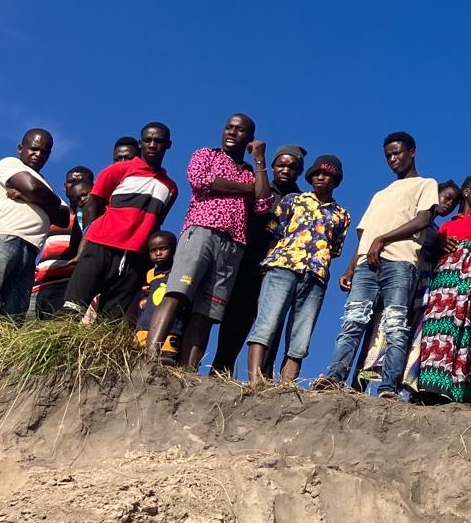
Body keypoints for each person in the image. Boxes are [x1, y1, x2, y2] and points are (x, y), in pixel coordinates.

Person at [146, 115, 269, 370]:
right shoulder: (206, 154)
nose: (232, 133)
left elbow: (263, 202)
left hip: (233, 244)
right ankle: (150, 355)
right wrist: (248, 189)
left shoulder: (249, 171)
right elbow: (202, 182)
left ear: (249, 138)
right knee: (177, 293)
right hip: (201, 231)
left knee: (208, 312)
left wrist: (259, 160)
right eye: (229, 127)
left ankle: (188, 371)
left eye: (240, 130)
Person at [351, 143, 448, 394]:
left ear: (412, 152)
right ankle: (350, 381)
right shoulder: (383, 195)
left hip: (406, 272)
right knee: (363, 323)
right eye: (388, 155)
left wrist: (383, 239)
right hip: (372, 263)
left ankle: (389, 385)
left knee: (395, 326)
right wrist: (351, 268)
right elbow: (366, 236)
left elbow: (423, 222)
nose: (393, 159)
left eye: (398, 153)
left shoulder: (428, 196)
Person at [246, 155, 349, 384]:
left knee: (301, 334)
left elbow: (335, 249)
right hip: (282, 266)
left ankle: (286, 385)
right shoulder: (293, 200)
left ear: (336, 180)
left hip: (315, 275)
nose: (321, 177)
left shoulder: (342, 214)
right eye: (317, 174)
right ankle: (254, 380)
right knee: (267, 323)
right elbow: (275, 234)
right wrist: (267, 267)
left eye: (328, 174)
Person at [60, 124, 179, 321]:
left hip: (134, 259)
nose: (152, 145)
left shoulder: (171, 188)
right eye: (147, 140)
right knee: (72, 308)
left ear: (168, 145)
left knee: (110, 321)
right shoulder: (117, 170)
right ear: (140, 143)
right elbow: (92, 206)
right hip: (100, 247)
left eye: (158, 141)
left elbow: (155, 224)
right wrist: (88, 241)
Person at [214, 144, 305, 377]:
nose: (286, 170)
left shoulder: (303, 200)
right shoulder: (260, 187)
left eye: (292, 167)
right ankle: (221, 370)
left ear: (299, 171)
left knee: (270, 324)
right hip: (248, 262)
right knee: (236, 318)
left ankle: (262, 376)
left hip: (278, 269)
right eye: (281, 165)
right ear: (273, 167)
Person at [0, 128, 69, 316]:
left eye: (44, 151)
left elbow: (64, 217)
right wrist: (40, 197)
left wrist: (28, 197)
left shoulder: (46, 183)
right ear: (20, 148)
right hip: (2, 238)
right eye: (34, 149)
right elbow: (34, 188)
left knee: (13, 314)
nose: (38, 154)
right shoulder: (11, 164)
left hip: (30, 249)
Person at [414, 174, 471, 403]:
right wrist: (440, 244)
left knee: (461, 329)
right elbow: (432, 254)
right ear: (466, 191)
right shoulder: (447, 225)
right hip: (443, 278)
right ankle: (428, 387)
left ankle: (452, 391)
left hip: (468, 275)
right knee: (435, 329)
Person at [28, 166, 94, 317]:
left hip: (66, 287)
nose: (76, 185)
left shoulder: (95, 219)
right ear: (65, 186)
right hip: (38, 286)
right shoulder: (56, 213)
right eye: (72, 181)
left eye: (82, 181)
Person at [132, 232, 180, 359]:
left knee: (167, 355)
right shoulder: (150, 274)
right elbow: (146, 291)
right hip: (146, 321)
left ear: (174, 249)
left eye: (163, 249)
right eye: (153, 250)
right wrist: (144, 298)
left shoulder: (177, 272)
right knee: (138, 353)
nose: (158, 253)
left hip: (171, 326)